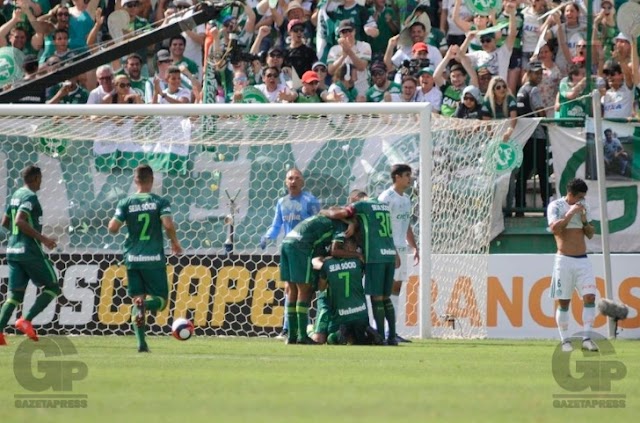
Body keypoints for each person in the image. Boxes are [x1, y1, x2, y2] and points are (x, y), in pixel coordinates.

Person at [108, 165, 182, 352]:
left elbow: (113, 228)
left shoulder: (125, 203)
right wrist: (174, 242)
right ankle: (145, 306)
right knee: (162, 301)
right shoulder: (160, 202)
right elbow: (167, 224)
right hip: (153, 259)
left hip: (132, 258)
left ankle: (141, 344)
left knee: (137, 300)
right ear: (152, 180)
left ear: (136, 180)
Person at [320, 190, 400, 345]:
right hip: (389, 254)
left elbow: (338, 214)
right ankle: (392, 337)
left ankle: (381, 338)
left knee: (376, 298)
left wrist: (322, 210)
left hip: (375, 257)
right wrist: (395, 253)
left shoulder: (362, 204)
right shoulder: (383, 206)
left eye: (351, 202)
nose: (351, 207)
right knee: (385, 297)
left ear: (356, 199)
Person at [0, 165, 59, 346]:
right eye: (40, 179)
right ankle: (26, 320)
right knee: (53, 286)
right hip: (29, 251)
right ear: (35, 179)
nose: (41, 182)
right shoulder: (29, 197)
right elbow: (19, 220)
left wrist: (17, 236)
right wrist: (44, 239)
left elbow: (5, 222)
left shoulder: (16, 194)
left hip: (13, 250)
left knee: (15, 296)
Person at [260, 168, 320, 338]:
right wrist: (267, 236)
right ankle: (288, 328)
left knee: (303, 289)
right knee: (289, 288)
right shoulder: (281, 202)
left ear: (302, 182)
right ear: (286, 182)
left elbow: (317, 224)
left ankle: (303, 328)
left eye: (296, 178)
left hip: (304, 250)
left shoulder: (310, 201)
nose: (293, 181)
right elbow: (276, 224)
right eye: (290, 178)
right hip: (288, 250)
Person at [279, 214, 353, 344]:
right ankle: (302, 336)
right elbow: (335, 251)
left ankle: (291, 336)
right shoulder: (341, 227)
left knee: (292, 290)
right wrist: (358, 255)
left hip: (286, 242)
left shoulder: (324, 219)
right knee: (304, 289)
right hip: (300, 245)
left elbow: (320, 248)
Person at [547, 178, 598, 353]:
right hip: (564, 260)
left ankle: (587, 339)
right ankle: (565, 341)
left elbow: (590, 234)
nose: (582, 200)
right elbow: (555, 229)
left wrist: (583, 219)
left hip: (583, 260)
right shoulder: (556, 206)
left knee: (590, 297)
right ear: (571, 195)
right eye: (580, 197)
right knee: (564, 302)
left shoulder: (584, 207)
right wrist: (570, 213)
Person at [311, 238, 382, 346]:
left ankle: (330, 334)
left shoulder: (328, 263)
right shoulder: (359, 261)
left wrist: (328, 272)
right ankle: (367, 335)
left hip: (339, 312)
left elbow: (321, 287)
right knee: (357, 340)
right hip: (360, 312)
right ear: (348, 247)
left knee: (326, 338)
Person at [378, 164, 419, 343]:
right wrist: (391, 248)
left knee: (396, 289)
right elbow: (380, 226)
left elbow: (406, 224)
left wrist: (414, 246)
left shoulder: (406, 199)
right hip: (388, 249)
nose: (410, 179)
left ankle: (391, 331)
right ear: (397, 177)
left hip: (401, 249)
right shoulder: (386, 198)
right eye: (407, 175)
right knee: (384, 290)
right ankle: (379, 330)